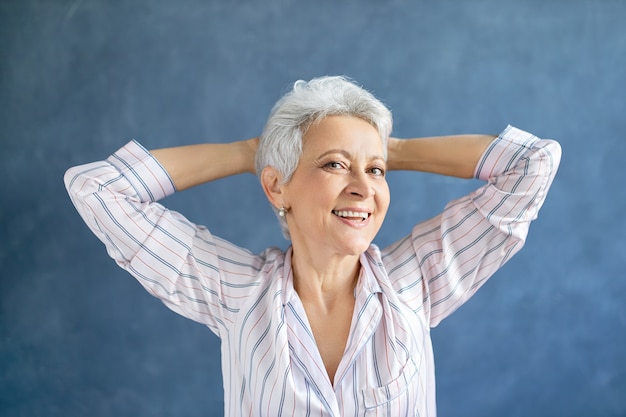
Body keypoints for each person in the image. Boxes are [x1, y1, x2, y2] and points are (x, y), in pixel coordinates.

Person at [64, 75, 561, 416]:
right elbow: (100, 190)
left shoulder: (417, 283)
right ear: (277, 188)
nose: (363, 188)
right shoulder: (237, 295)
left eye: (376, 171)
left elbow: (532, 164)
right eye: (333, 165)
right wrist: (250, 153)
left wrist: (392, 149)